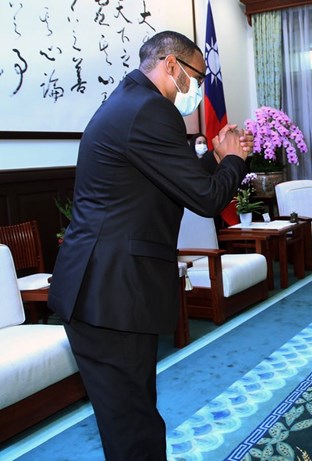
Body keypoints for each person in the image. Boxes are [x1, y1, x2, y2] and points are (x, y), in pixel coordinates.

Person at [48, 31, 253, 460]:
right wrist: (233, 158)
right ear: (172, 65)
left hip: (106, 289)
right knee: (133, 427)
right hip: (109, 293)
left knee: (132, 417)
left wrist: (214, 160)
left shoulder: (129, 102)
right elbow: (206, 198)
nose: (199, 89)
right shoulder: (150, 110)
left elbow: (162, 182)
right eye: (199, 76)